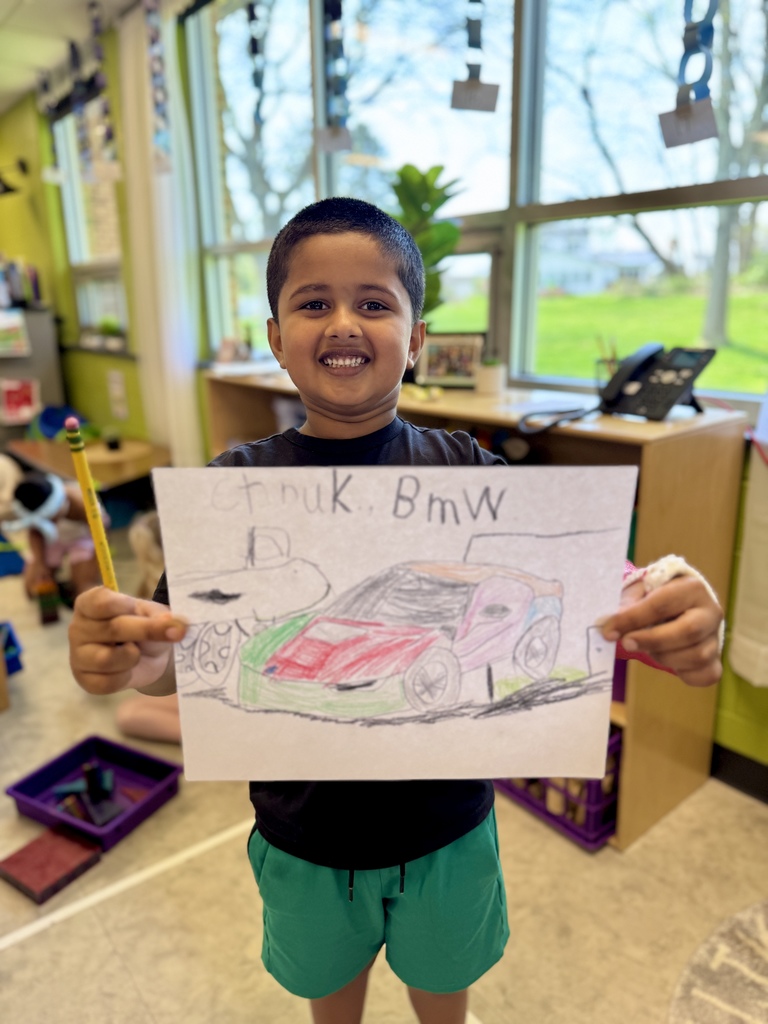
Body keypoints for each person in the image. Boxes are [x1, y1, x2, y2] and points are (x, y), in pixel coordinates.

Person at [69, 198, 724, 1024]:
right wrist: (125, 655)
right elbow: (170, 666)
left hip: (448, 832)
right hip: (301, 838)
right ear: (275, 336)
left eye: (374, 303)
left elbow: (614, 592)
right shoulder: (232, 488)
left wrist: (677, 597)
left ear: (416, 339)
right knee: (328, 996)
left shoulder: (470, 471)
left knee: (442, 992)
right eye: (314, 303)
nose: (344, 322)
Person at [3, 469, 110, 603]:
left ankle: (73, 585)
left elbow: (102, 537)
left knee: (85, 590)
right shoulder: (34, 504)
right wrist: (39, 562)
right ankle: (59, 585)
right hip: (51, 540)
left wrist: (95, 564)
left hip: (82, 537)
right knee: (32, 589)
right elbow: (35, 532)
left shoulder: (82, 503)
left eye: (48, 518)